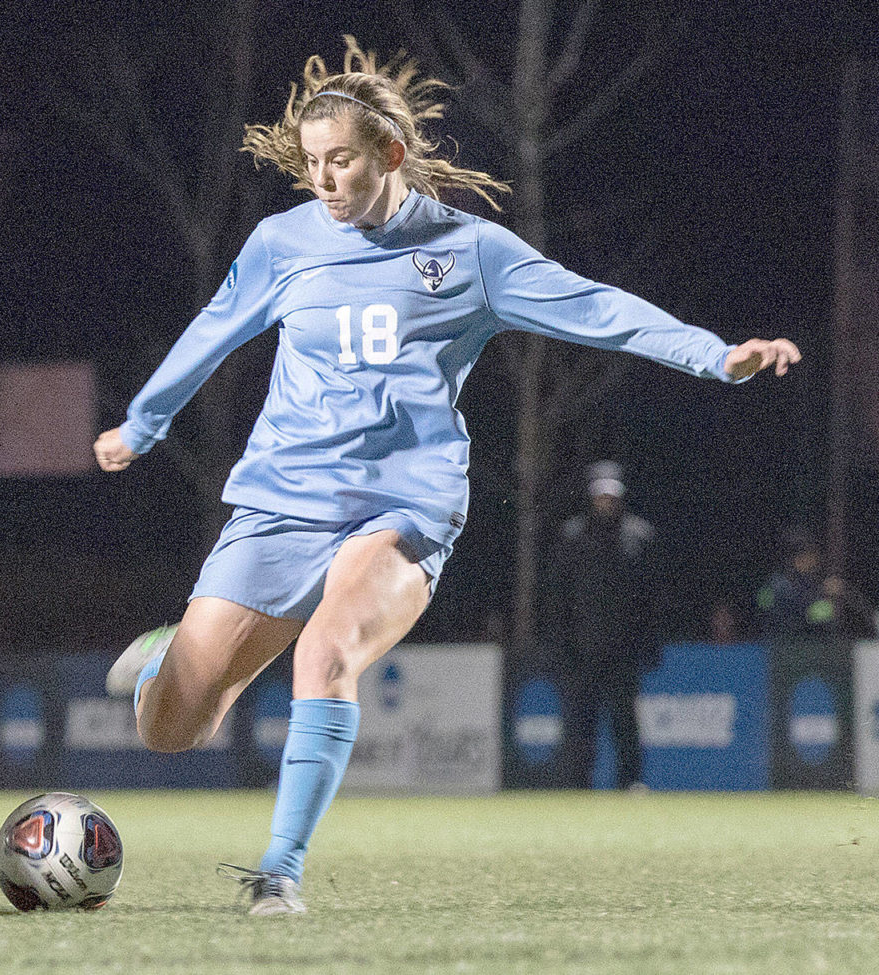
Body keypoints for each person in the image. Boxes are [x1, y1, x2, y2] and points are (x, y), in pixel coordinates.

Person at [92, 38, 802, 915]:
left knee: (328, 652)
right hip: (284, 497)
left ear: (390, 153)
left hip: (405, 501)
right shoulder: (283, 243)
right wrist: (144, 421)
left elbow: (594, 309)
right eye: (312, 163)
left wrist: (713, 354)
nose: (322, 179)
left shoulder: (469, 253)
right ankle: (174, 656)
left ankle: (279, 870)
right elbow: (214, 329)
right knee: (174, 730)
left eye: (340, 160)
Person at [544, 462, 659, 790]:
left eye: (611, 496)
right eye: (601, 496)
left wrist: (649, 644)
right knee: (581, 726)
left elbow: (652, 598)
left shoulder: (639, 536)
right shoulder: (572, 536)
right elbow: (558, 598)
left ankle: (631, 783)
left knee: (625, 723)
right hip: (581, 652)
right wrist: (560, 647)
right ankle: (579, 787)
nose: (606, 502)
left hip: (624, 652)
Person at [756, 528, 874, 639]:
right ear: (798, 559)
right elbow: (793, 614)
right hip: (782, 647)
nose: (816, 561)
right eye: (811, 555)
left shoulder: (807, 582)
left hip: (810, 645)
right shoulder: (777, 584)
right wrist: (824, 593)